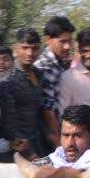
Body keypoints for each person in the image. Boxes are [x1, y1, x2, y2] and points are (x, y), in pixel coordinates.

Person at [0, 28, 48, 158]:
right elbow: (9, 123)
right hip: (19, 151)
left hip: (40, 144)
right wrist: (29, 152)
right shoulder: (7, 80)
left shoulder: (39, 74)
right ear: (16, 49)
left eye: (34, 48)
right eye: (25, 48)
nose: (30, 53)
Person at [34, 16, 74, 146]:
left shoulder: (60, 63)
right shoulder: (46, 66)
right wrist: (58, 141)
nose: (67, 46)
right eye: (62, 42)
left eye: (69, 41)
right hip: (50, 136)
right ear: (47, 40)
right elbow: (48, 109)